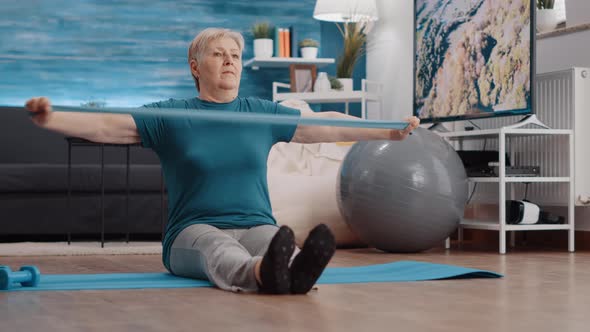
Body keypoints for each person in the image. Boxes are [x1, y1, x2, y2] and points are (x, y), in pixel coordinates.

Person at [25, 28, 420, 295]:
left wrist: (389, 131)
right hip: (191, 232)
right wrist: (50, 117)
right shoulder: (172, 116)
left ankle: (296, 271)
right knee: (216, 248)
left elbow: (326, 126)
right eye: (218, 54)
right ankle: (263, 274)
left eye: (235, 55)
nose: (230, 61)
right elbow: (109, 125)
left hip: (256, 226)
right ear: (196, 67)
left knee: (275, 240)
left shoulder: (260, 114)